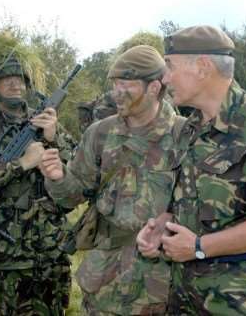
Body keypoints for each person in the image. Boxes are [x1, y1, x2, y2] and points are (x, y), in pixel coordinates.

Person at [137, 25, 246, 315]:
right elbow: (186, 202)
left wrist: (199, 246)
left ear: (202, 67)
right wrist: (161, 227)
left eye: (169, 66)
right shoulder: (189, 128)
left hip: (243, 301)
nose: (164, 78)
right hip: (186, 297)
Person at [40, 45, 185, 315]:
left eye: (125, 85)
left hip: (166, 283)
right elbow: (72, 197)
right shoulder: (100, 134)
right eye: (114, 84)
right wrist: (58, 178)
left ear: (154, 88)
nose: (115, 93)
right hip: (107, 284)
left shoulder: (184, 136)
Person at [0, 31, 75, 316]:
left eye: (19, 78)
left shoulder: (46, 120)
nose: (14, 83)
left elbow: (77, 172)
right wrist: (22, 163)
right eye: (5, 79)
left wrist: (53, 136)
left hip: (52, 247)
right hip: (7, 250)